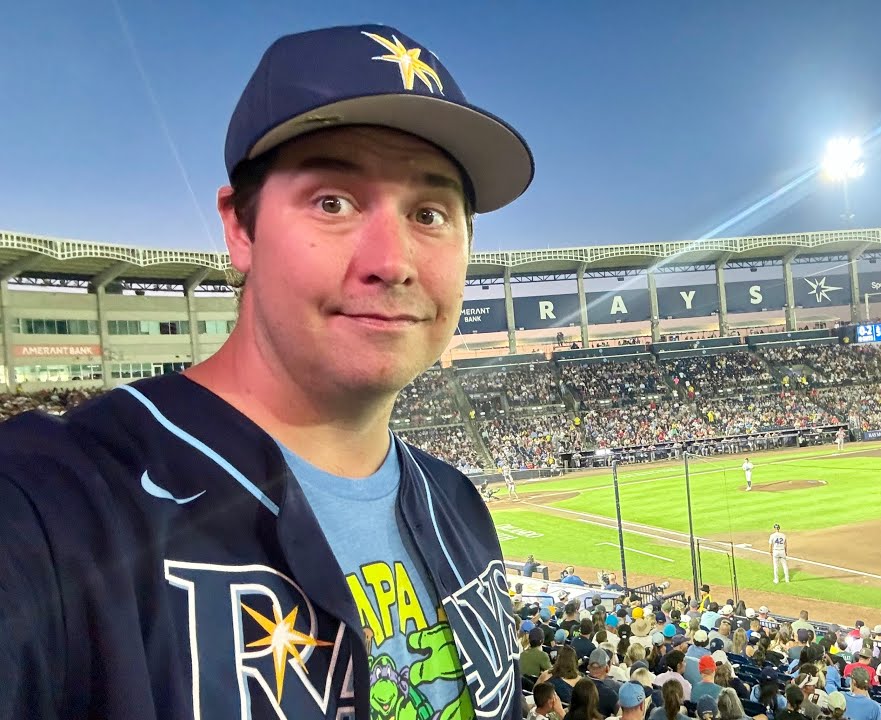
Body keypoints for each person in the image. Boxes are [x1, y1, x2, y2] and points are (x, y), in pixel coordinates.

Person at [0, 23, 535, 719]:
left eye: (429, 213)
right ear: (240, 229)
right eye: (333, 202)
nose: (392, 260)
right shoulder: (55, 505)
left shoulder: (459, 505)